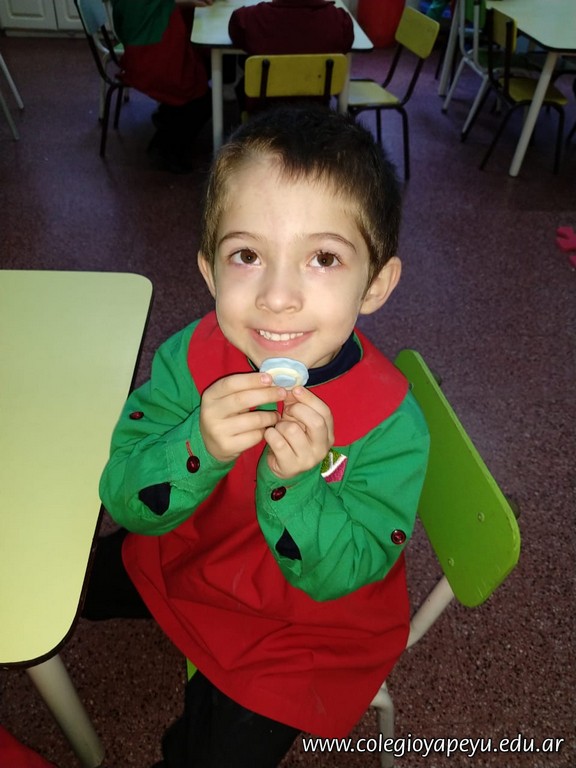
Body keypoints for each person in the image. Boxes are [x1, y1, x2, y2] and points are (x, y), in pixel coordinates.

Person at [83, 105, 430, 768]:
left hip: (303, 628)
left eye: (323, 258)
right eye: (247, 255)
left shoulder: (392, 423)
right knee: (78, 579)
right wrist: (199, 446)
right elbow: (123, 492)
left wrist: (299, 487)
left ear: (376, 284)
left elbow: (350, 570)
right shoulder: (192, 356)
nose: (277, 296)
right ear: (210, 271)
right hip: (197, 551)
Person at [110, 0, 213, 172]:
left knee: (203, 72)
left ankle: (166, 121)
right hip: (150, 56)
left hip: (145, 50)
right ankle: (169, 150)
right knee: (204, 101)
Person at [228, 0, 354, 112]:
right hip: (315, 115)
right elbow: (345, 45)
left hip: (263, 115)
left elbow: (237, 37)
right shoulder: (340, 20)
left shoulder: (248, 18)